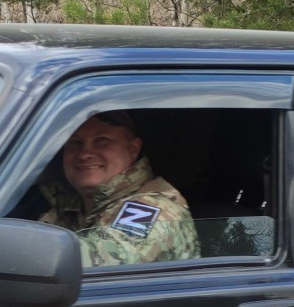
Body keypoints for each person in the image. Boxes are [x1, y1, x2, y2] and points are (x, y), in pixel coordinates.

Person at [36, 111, 199, 266]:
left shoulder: (153, 208)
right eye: (75, 142)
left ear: (133, 149)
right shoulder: (67, 208)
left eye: (101, 140)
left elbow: (105, 261)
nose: (85, 153)